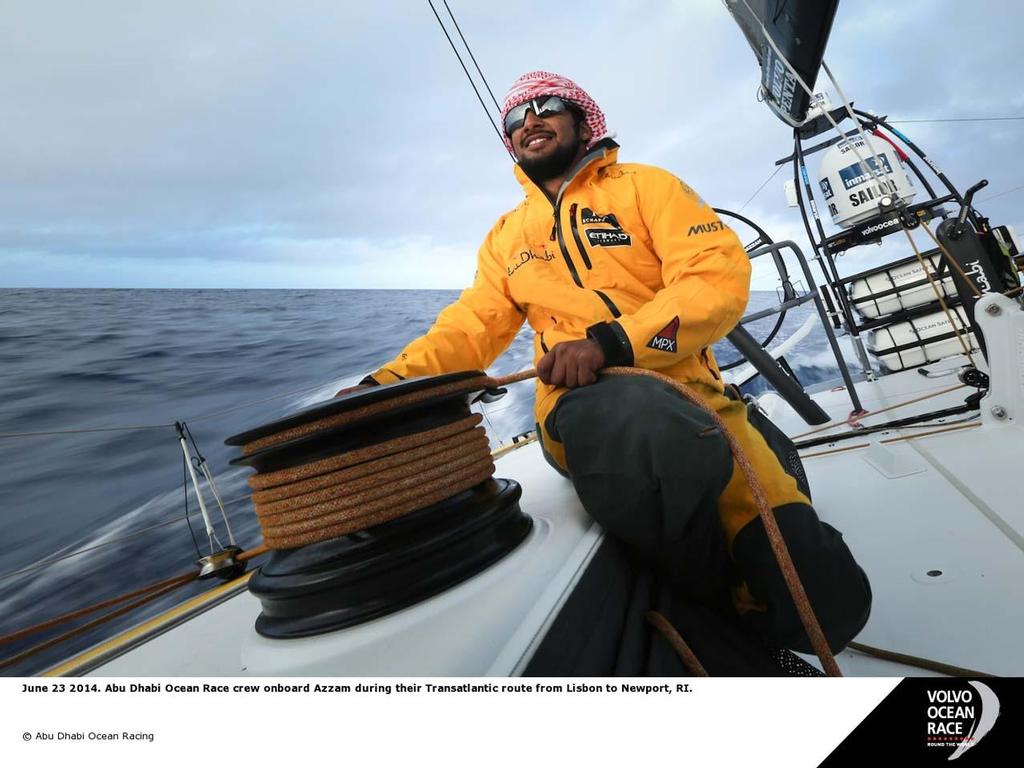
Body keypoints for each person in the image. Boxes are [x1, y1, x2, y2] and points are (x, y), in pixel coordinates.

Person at [347, 71, 870, 664]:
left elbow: (715, 278)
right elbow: (471, 327)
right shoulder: (506, 237)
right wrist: (384, 385)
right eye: (515, 119)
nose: (529, 122)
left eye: (545, 107)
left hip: (698, 396)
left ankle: (735, 601)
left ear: (582, 118)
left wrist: (616, 342)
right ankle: (701, 616)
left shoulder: (648, 188)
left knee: (831, 608)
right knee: (644, 423)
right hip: (581, 406)